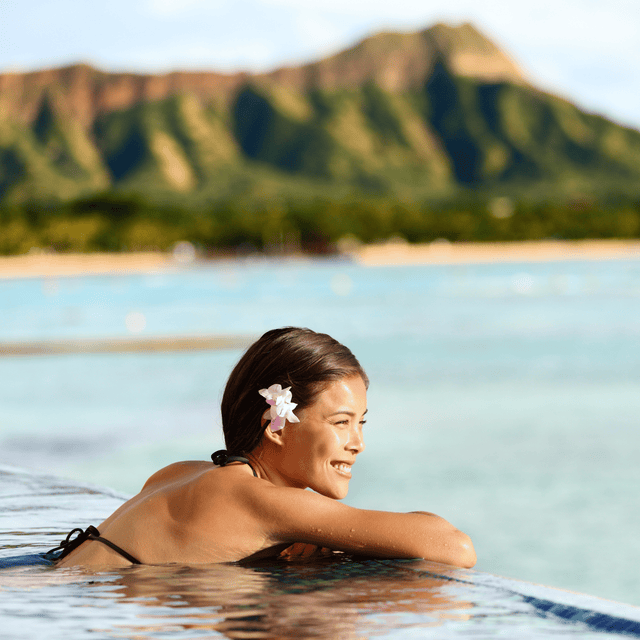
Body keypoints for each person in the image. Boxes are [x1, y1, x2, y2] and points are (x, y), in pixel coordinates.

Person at [52, 327, 476, 568]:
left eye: (361, 424)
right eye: (341, 423)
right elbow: (454, 547)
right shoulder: (261, 501)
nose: (358, 444)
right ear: (275, 427)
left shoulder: (179, 472)